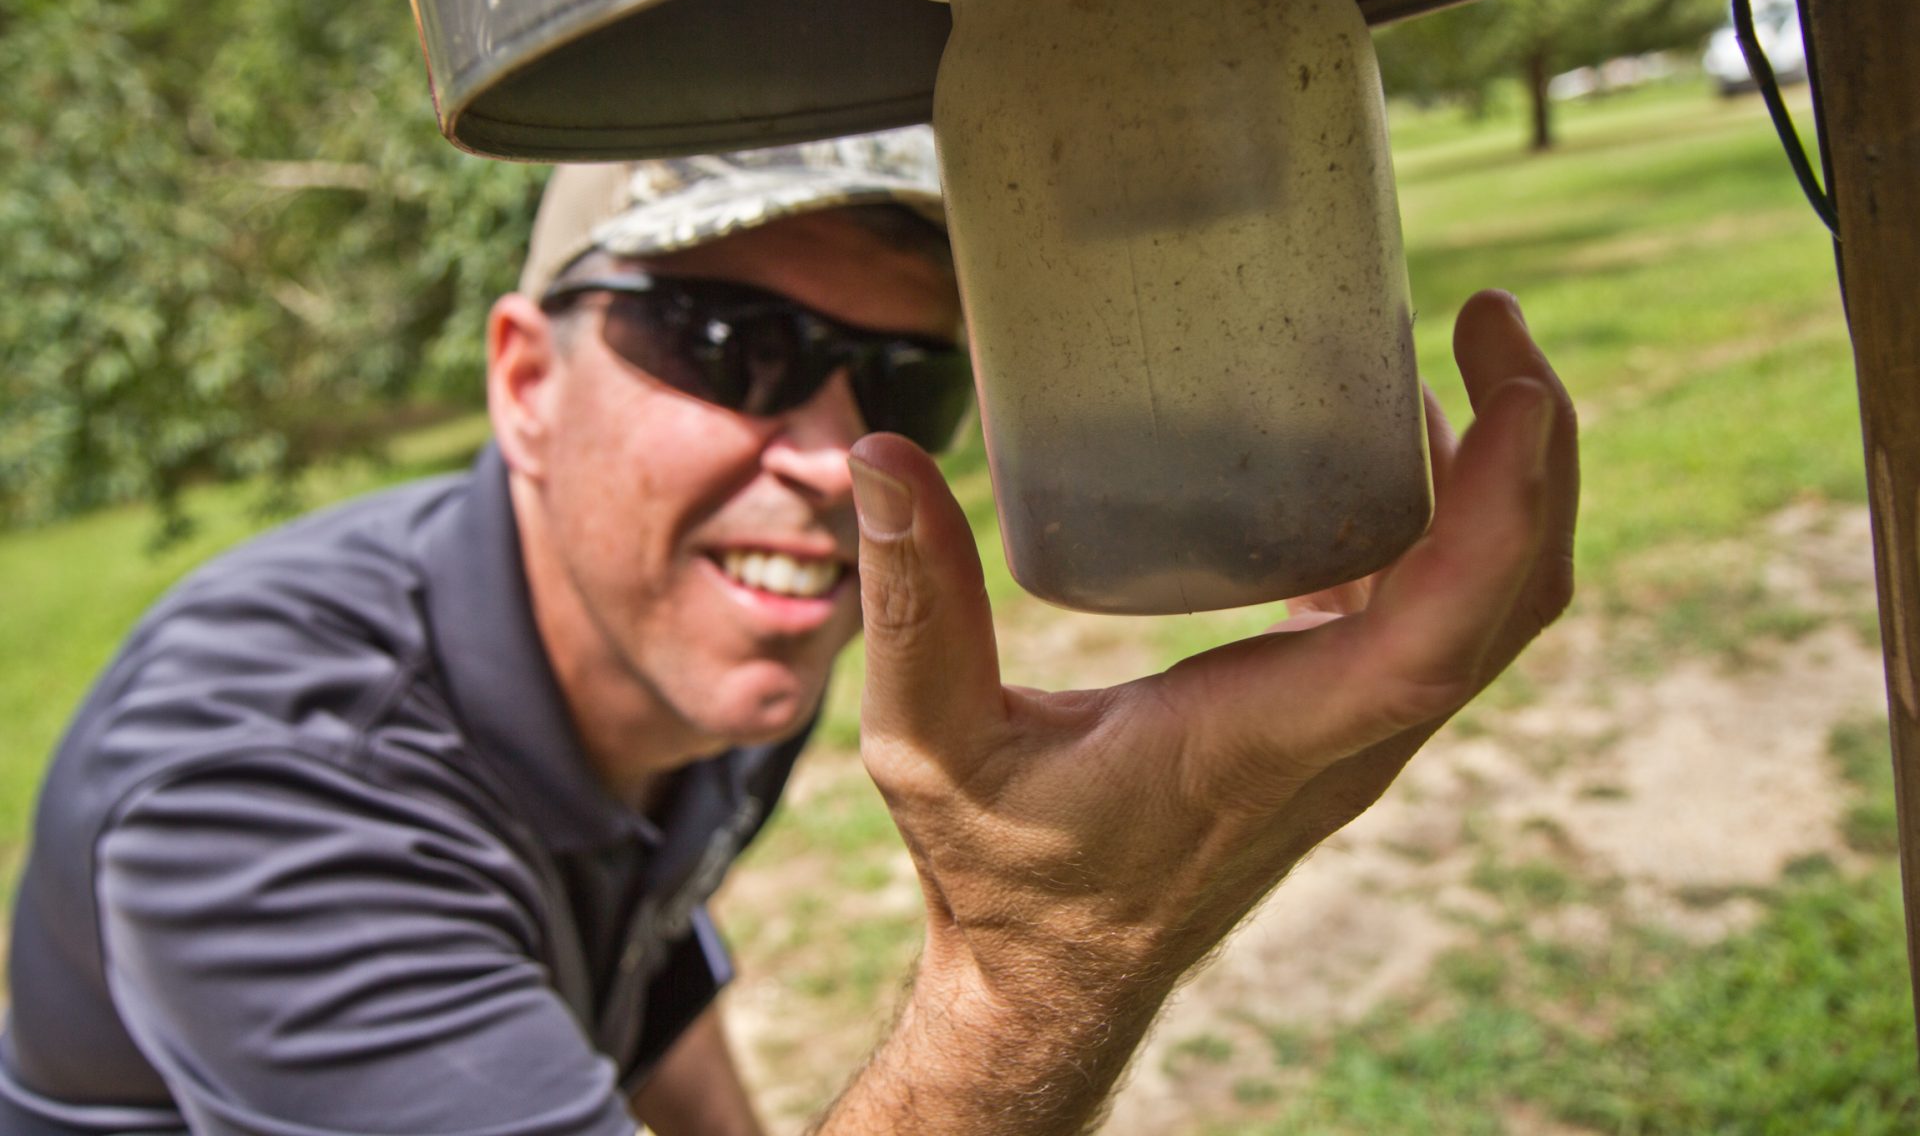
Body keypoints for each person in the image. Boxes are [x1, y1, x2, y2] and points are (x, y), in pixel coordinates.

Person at [0, 125, 1579, 1136]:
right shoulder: (266, 794)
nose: (836, 461)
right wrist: (1040, 973)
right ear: (524, 385)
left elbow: (646, 972)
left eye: (908, 385)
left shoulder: (701, 638)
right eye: (731, 343)